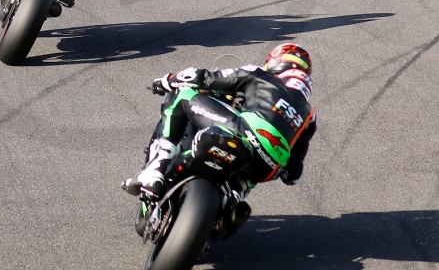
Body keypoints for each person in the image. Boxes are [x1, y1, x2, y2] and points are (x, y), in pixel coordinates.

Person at [123, 43, 317, 228]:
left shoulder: (260, 74)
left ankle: (155, 170)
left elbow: (204, 79)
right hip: (268, 168)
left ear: (275, 62)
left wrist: (168, 80)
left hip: (241, 133)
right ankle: (232, 199)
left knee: (183, 96)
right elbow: (293, 174)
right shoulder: (309, 115)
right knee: (250, 174)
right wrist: (285, 171)